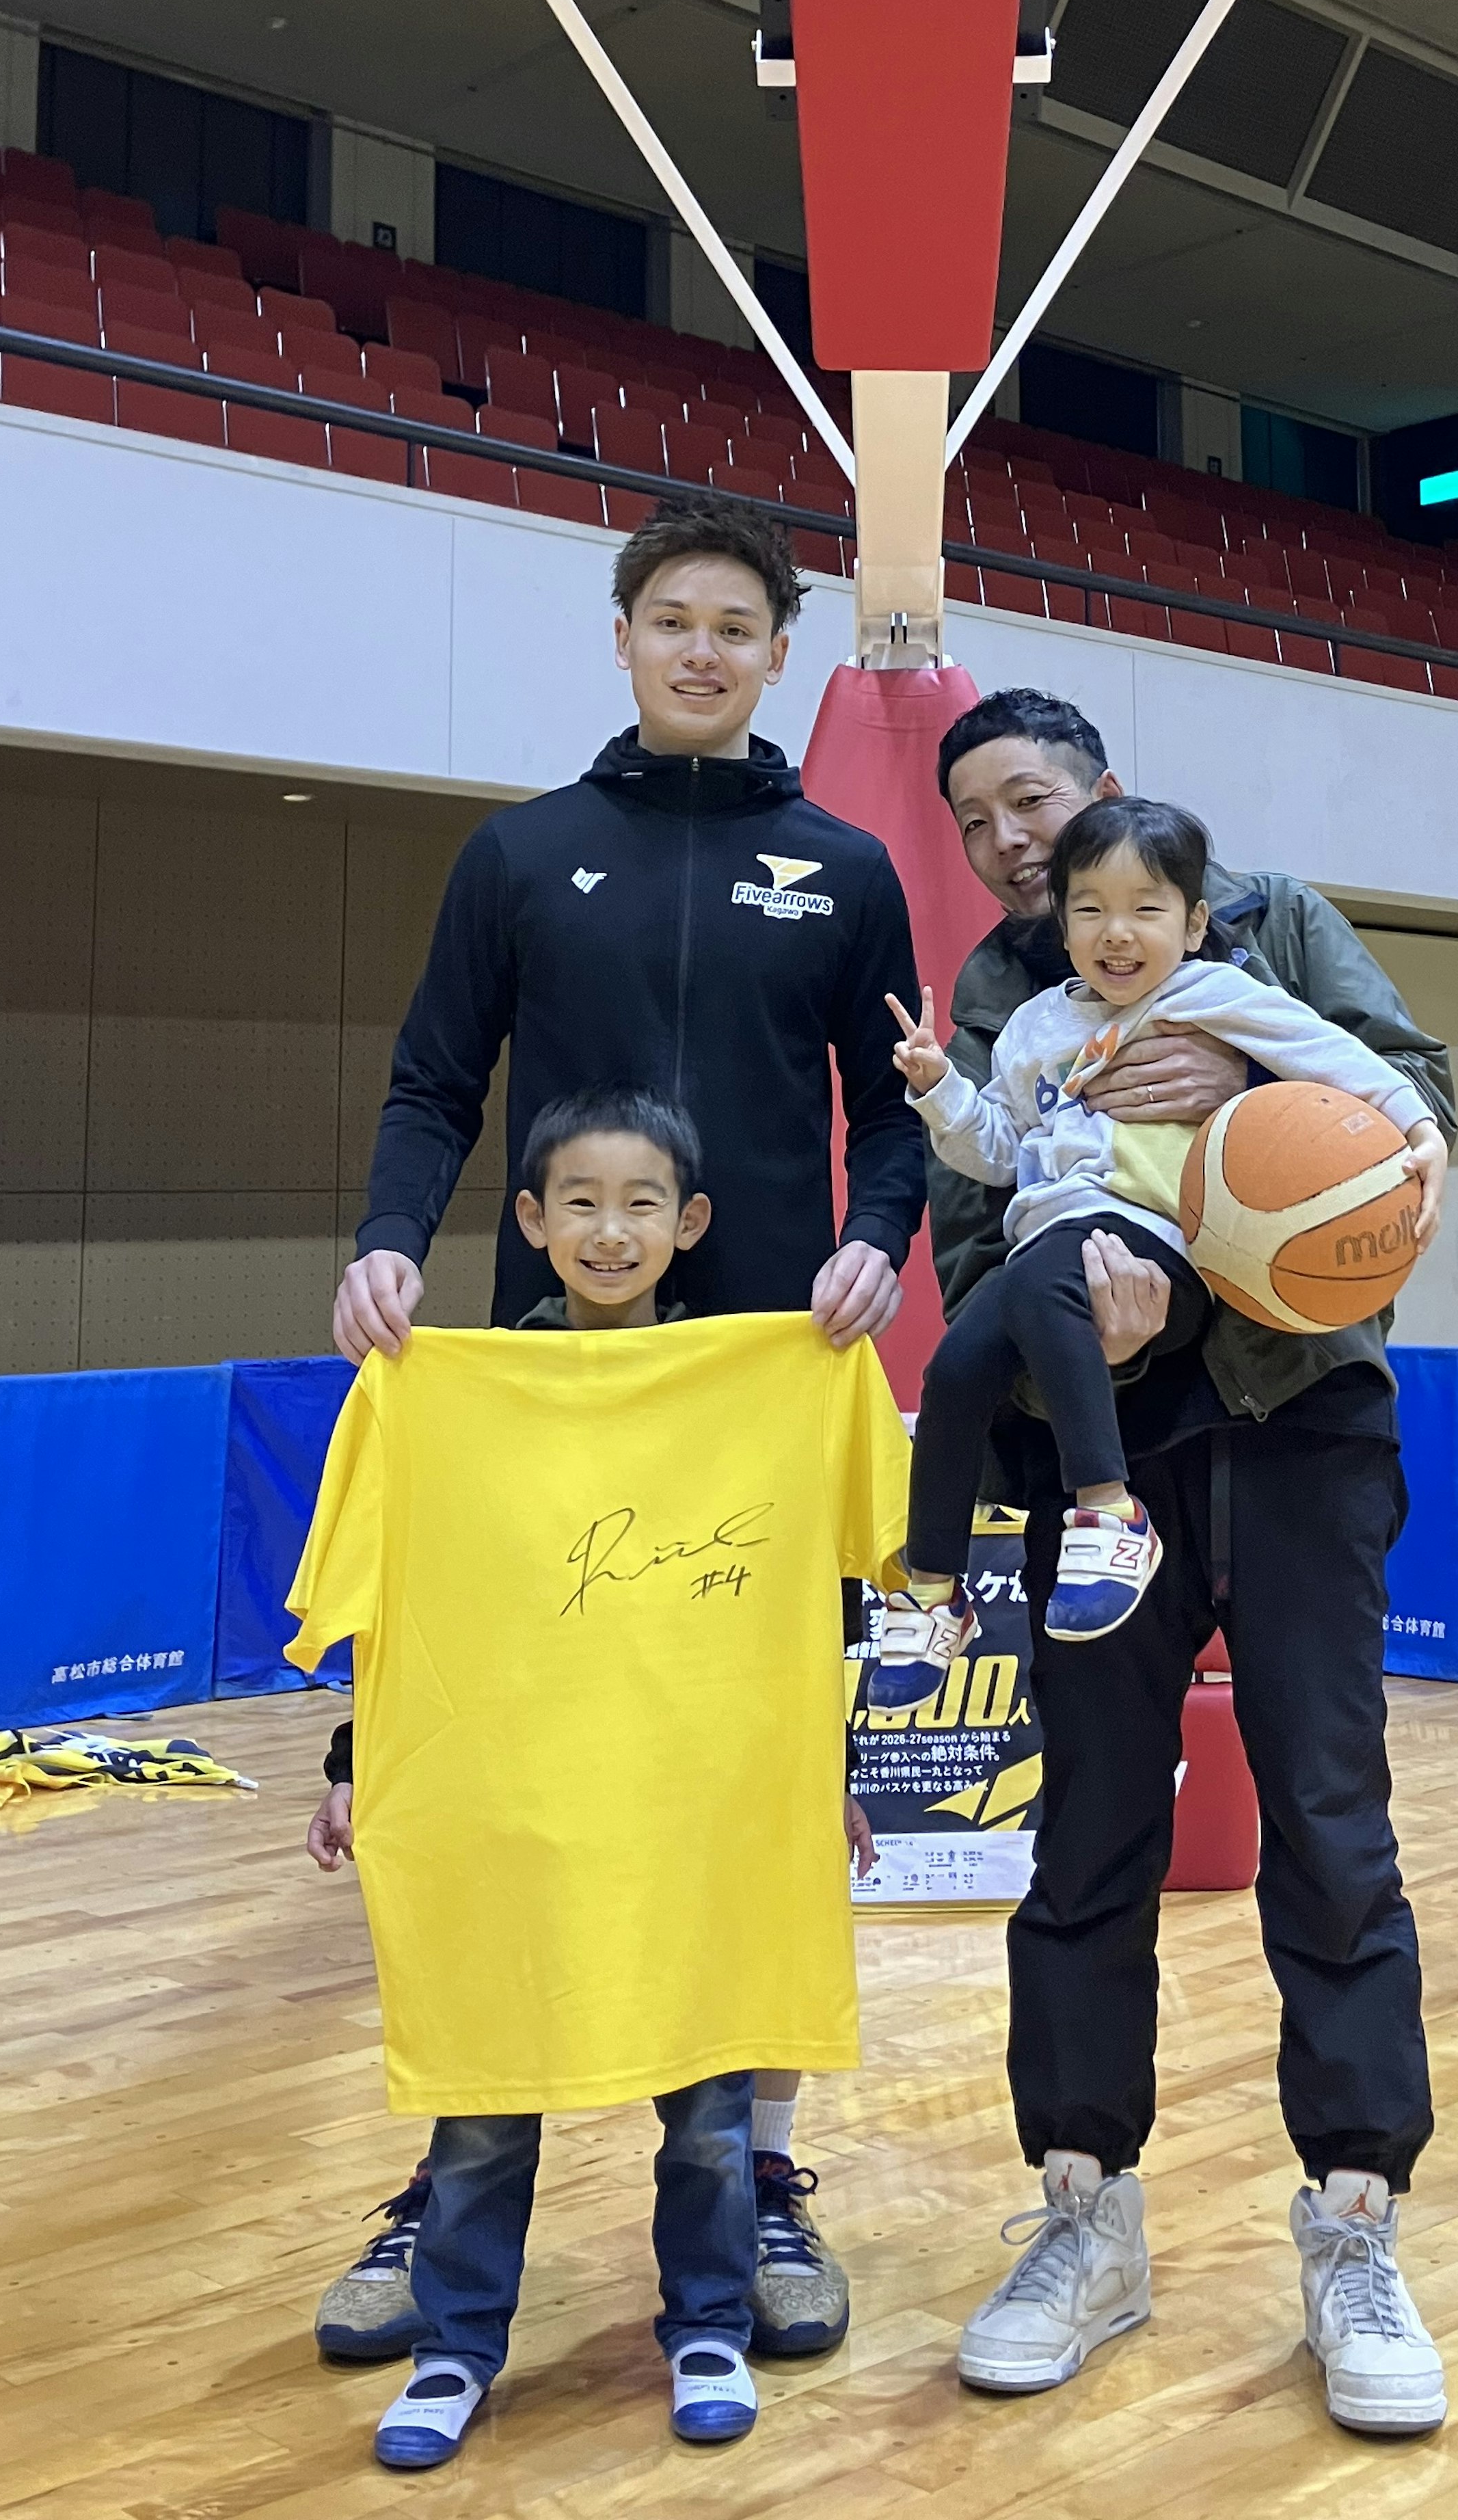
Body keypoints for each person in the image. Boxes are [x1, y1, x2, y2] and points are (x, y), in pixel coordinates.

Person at [312, 492, 923, 2372]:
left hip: (753, 1387)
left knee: (740, 1779)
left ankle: (761, 2180)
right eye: (674, 618)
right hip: (541, 1386)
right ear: (625, 635)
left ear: (776, 655)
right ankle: (454, 2165)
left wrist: (877, 1247)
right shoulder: (520, 857)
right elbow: (433, 1083)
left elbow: (888, 1124)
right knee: (506, 1770)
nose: (703, 648)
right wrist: (385, 1251)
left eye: (738, 625)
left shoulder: (840, 869)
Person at [926, 690, 1458, 2439]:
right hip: (1115, 1460)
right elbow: (971, 1219)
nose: (1010, 841)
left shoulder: (1272, 923)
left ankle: (1359, 2222)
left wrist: (1246, 1094)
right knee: (1087, 1825)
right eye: (979, 820)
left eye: (1034, 805)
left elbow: (1418, 1107)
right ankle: (1086, 2212)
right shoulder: (1004, 996)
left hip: (1306, 1424)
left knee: (1327, 1814)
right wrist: (1071, 1272)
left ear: (1113, 805)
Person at [303, 1092, 889, 2469]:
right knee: (488, 2097)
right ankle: (455, 2345)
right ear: (531, 1223)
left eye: (640, 1203)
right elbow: (398, 1599)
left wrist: (832, 1774)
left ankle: (706, 2320)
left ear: (690, 1224)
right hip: (514, 1815)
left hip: (694, 1818)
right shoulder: (448, 1389)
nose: (609, 1229)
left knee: (708, 2105)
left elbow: (825, 1595)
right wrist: (354, 1765)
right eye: (579, 1200)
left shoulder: (764, 1379)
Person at [875, 794, 1444, 1698]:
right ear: (1062, 923)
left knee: (1044, 1290)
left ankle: (1108, 1511)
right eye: (1091, 908)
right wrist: (939, 1090)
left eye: (1146, 908)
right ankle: (935, 1595)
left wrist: (1419, 1128)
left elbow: (1344, 1062)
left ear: (1194, 922)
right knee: (953, 1375)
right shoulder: (1033, 1029)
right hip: (1048, 1252)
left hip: (1152, 1241)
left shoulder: (1218, 996)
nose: (1118, 930)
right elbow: (992, 1150)